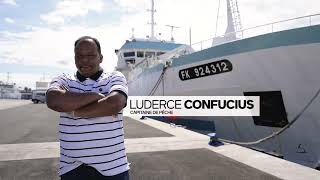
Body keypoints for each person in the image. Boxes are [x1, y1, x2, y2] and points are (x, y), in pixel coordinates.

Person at [46, 36, 130, 180]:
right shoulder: (64, 79)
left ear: (101, 57)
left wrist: (74, 110)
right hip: (72, 168)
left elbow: (115, 103)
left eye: (90, 55)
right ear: (74, 58)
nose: (85, 60)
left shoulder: (114, 77)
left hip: (113, 169)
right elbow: (53, 100)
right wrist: (95, 96)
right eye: (80, 56)